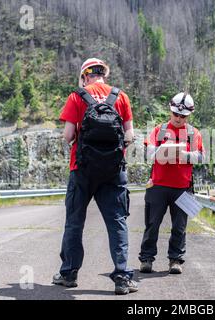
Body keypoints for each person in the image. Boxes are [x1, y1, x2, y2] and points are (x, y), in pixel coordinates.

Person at [52, 58, 138, 295]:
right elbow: (129, 136)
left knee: (74, 222)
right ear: (104, 75)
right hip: (113, 171)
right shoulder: (121, 97)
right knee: (117, 221)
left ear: (85, 76)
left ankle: (68, 274)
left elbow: (68, 136)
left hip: (82, 169)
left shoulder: (77, 96)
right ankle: (122, 277)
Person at [139, 92, 205, 274]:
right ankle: (146, 259)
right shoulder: (158, 130)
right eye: (176, 114)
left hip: (182, 188)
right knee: (152, 225)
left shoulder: (193, 133)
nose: (178, 118)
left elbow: (201, 157)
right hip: (158, 186)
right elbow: (148, 153)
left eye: (183, 116)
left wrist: (186, 156)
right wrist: (160, 152)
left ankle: (175, 260)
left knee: (179, 227)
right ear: (171, 111)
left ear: (189, 115)